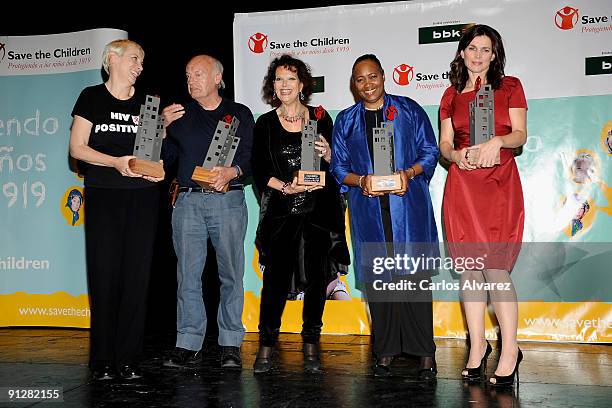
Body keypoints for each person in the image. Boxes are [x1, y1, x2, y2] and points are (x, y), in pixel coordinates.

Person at [331, 54, 439, 378]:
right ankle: (386, 351)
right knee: (380, 281)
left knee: (415, 280)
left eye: (372, 77)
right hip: (369, 212)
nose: (368, 85)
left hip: (408, 209)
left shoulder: (408, 110)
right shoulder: (346, 121)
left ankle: (425, 354)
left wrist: (409, 173)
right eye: (360, 80)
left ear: (383, 76)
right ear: (354, 84)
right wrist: (361, 181)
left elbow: (430, 152)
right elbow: (339, 168)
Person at [69, 39, 165, 380]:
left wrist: (157, 168)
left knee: (136, 279)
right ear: (113, 58)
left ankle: (128, 359)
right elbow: (77, 148)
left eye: (142, 61)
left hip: (142, 197)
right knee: (105, 275)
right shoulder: (91, 97)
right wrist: (115, 162)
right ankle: (102, 361)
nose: (140, 66)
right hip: (104, 195)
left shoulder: (149, 103)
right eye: (135, 58)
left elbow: (152, 156)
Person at [438, 24, 527, 387]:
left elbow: (521, 135)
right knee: (470, 270)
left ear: (494, 54)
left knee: (496, 270)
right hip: (463, 186)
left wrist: (498, 140)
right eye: (472, 48)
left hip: (499, 183)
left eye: (485, 49)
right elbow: (445, 144)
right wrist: (456, 155)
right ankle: (478, 347)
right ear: (462, 52)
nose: (478, 55)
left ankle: (510, 349)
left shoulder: (511, 86)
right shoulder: (450, 94)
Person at [251, 54, 350, 374]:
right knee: (276, 282)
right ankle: (266, 346)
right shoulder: (265, 123)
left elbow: (336, 164)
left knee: (318, 278)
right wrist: (283, 187)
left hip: (318, 210)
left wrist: (330, 153)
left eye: (291, 79)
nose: (284, 85)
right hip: (282, 210)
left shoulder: (321, 118)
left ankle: (311, 345)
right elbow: (259, 168)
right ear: (272, 85)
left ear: (302, 84)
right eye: (278, 79)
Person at [161, 55, 254, 370]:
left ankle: (230, 343)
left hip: (227, 201)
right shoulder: (178, 116)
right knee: (187, 275)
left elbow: (251, 158)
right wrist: (160, 130)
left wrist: (233, 172)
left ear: (218, 77)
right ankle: (188, 343)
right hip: (187, 202)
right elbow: (164, 159)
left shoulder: (238, 113)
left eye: (198, 74)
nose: (191, 80)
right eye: (187, 75)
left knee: (231, 274)